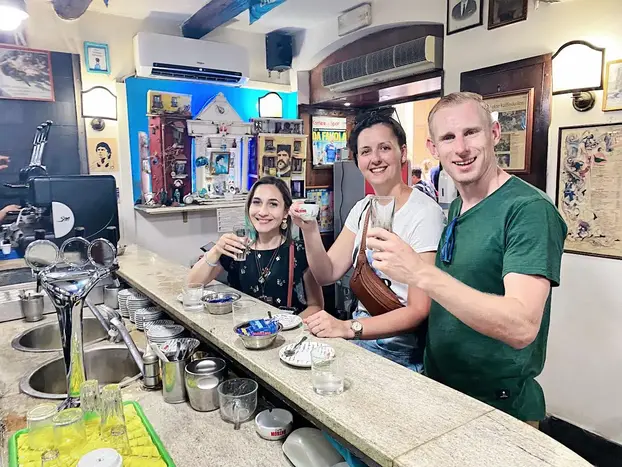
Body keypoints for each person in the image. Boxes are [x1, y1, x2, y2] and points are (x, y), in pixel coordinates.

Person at [365, 92, 567, 426]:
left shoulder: (529, 210)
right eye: (448, 137)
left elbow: (521, 325)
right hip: (440, 388)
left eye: (471, 132)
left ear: (494, 134)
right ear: (433, 148)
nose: (461, 148)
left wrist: (419, 273)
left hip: (497, 406)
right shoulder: (459, 205)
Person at [290, 108, 445, 371]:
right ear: (358, 160)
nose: (375, 159)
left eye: (384, 148)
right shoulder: (363, 208)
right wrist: (310, 229)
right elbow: (326, 273)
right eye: (365, 151)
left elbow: (419, 309)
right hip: (361, 342)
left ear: (402, 153)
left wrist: (347, 327)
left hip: (403, 354)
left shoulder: (424, 212)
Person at [188, 176, 324, 318]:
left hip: (286, 329)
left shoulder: (300, 251)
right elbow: (192, 285)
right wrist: (216, 250)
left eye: (273, 204)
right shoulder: (237, 248)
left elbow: (316, 306)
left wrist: (288, 323)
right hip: (242, 326)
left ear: (285, 212)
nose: (263, 212)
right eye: (257, 202)